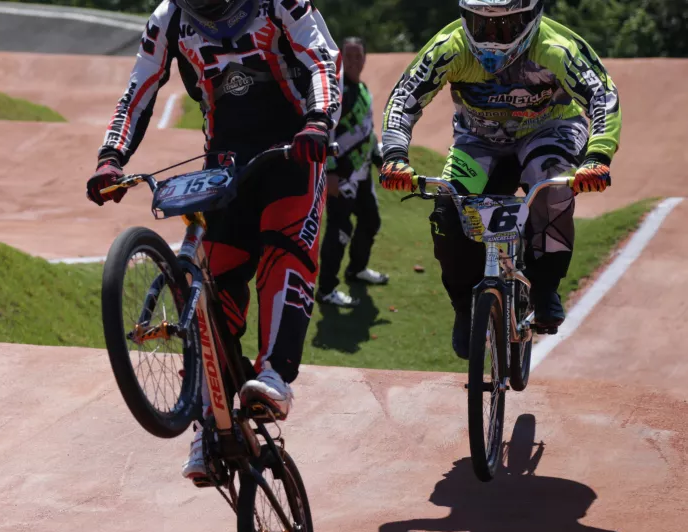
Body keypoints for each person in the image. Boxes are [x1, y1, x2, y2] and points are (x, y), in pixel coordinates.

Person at [85, 0, 341, 484]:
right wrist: (110, 158)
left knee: (284, 256)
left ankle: (272, 378)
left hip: (294, 153)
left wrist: (319, 121)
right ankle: (208, 417)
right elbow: (137, 91)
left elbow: (321, 58)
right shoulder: (169, 19)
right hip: (224, 165)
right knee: (209, 288)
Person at [378, 0, 620, 359]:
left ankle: (545, 287)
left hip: (549, 131)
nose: (491, 39)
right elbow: (405, 96)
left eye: (504, 27)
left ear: (531, 19)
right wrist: (395, 157)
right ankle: (465, 308)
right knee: (448, 212)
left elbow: (602, 94)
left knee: (549, 190)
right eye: (480, 26)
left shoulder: (558, 47)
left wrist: (597, 157)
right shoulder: (451, 46)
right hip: (479, 141)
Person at [316, 36, 389, 308]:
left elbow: (368, 132)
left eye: (359, 56)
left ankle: (356, 270)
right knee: (339, 230)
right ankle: (326, 289)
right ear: (341, 59)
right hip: (341, 176)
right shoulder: (336, 91)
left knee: (370, 221)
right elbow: (324, 132)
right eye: (349, 56)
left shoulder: (364, 91)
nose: (354, 61)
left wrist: (379, 159)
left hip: (361, 175)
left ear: (365, 58)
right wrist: (330, 172)